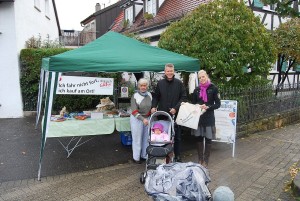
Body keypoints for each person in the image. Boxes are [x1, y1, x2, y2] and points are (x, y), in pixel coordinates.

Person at [151, 63, 187, 162]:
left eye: (171, 71)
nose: (169, 73)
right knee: (164, 135)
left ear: (173, 71)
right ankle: (165, 154)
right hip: (163, 115)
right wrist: (153, 106)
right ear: (165, 72)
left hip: (176, 115)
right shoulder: (160, 83)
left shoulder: (179, 83)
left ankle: (177, 155)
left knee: (177, 136)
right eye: (167, 71)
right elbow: (156, 97)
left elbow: (183, 97)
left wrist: (176, 108)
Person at [192, 70, 220, 168]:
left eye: (203, 77)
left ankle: (206, 160)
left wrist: (208, 107)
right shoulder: (196, 90)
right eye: (200, 78)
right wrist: (198, 106)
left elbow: (218, 104)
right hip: (199, 118)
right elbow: (194, 103)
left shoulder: (213, 88)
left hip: (209, 117)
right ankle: (200, 159)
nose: (202, 79)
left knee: (208, 139)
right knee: (199, 139)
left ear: (207, 76)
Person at [130, 78, 152, 164]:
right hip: (137, 119)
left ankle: (144, 155)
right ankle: (136, 158)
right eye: (141, 85)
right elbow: (134, 111)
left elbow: (150, 107)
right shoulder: (134, 96)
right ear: (139, 86)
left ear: (147, 86)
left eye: (145, 85)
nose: (143, 87)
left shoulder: (150, 95)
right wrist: (143, 119)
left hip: (147, 118)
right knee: (137, 138)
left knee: (146, 138)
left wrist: (153, 110)